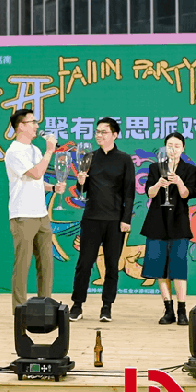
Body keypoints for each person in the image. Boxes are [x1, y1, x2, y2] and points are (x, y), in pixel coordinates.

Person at [70, 117, 135, 322]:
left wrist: (126, 219)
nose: (99, 135)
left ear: (115, 135)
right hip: (91, 218)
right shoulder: (89, 157)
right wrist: (81, 182)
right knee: (84, 263)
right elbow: (83, 191)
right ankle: (77, 305)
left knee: (111, 265)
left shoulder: (124, 159)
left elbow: (129, 193)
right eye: (97, 132)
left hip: (115, 220)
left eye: (104, 132)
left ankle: (107, 306)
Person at [4, 108, 65, 313]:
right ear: (21, 126)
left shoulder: (34, 150)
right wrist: (49, 151)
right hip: (23, 215)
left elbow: (37, 181)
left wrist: (53, 188)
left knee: (46, 264)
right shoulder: (14, 152)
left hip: (41, 214)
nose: (37, 126)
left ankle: (44, 307)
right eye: (32, 122)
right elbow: (36, 173)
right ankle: (19, 309)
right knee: (22, 265)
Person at [141, 132, 196, 326]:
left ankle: (182, 310)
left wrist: (179, 181)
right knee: (159, 269)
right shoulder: (155, 167)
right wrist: (159, 183)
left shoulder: (189, 169)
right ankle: (168, 309)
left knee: (178, 267)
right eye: (170, 145)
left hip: (178, 222)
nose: (173, 149)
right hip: (157, 221)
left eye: (177, 146)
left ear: (183, 149)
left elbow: (187, 194)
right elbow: (150, 193)